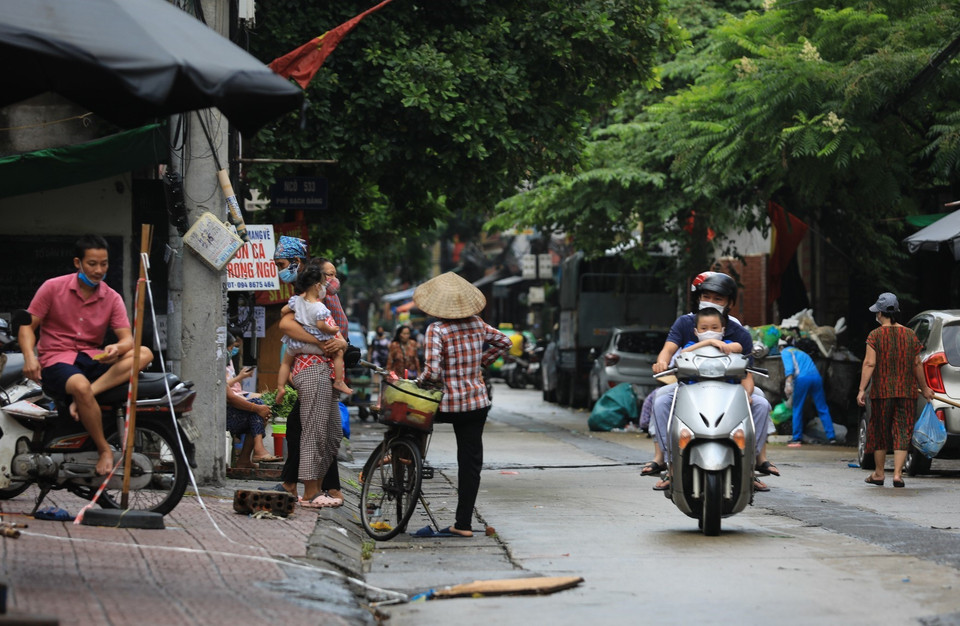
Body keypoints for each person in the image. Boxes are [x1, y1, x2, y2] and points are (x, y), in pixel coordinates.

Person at [19, 235, 154, 476]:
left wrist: (118, 348)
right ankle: (104, 449)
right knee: (80, 385)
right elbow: (27, 326)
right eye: (92, 264)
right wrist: (29, 356)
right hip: (57, 360)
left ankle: (88, 396)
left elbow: (127, 340)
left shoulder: (111, 297)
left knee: (143, 353)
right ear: (77, 263)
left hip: (93, 357)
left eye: (104, 264)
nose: (99, 270)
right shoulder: (52, 287)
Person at [647, 271, 777, 491]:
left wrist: (747, 394)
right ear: (698, 298)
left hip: (731, 386)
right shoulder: (684, 323)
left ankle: (750, 465)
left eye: (719, 299)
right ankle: (670, 465)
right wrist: (662, 361)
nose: (712, 302)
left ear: (729, 304)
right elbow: (668, 350)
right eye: (707, 296)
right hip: (690, 386)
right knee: (660, 400)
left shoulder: (738, 331)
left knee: (762, 403)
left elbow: (747, 369)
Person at [415, 272, 512, 536]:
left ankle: (408, 460)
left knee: (410, 425)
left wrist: (418, 382)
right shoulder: (478, 324)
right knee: (470, 464)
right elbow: (505, 341)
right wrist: (483, 362)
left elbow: (432, 373)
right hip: (476, 403)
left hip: (446, 405)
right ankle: (464, 524)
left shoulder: (437, 329)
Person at [272, 238, 347, 507]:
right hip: (315, 366)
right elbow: (287, 326)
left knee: (323, 430)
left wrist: (339, 344)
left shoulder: (314, 295)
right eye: (328, 277)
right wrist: (322, 343)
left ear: (297, 263)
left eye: (282, 264)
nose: (280, 270)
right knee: (310, 429)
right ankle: (309, 488)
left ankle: (310, 486)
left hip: (323, 367)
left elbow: (334, 330)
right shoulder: (303, 298)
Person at [857, 293, 934, 488]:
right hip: (906, 392)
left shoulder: (875, 335)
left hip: (882, 392)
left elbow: (869, 363)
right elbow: (917, 363)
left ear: (881, 313)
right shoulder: (910, 335)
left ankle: (879, 473)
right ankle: (898, 475)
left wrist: (861, 389)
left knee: (880, 431)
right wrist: (924, 388)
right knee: (903, 431)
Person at [276, 265, 352, 396]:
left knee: (285, 363)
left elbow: (283, 311)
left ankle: (280, 387)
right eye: (328, 276)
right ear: (317, 286)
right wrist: (331, 332)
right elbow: (321, 326)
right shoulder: (319, 307)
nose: (332, 281)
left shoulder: (296, 302)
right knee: (338, 353)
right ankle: (339, 381)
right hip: (313, 360)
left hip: (294, 345)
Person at [224, 334, 280, 466]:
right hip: (221, 416)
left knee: (260, 409)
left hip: (230, 409)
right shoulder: (215, 366)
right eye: (232, 347)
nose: (232, 351)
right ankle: (256, 451)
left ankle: (248, 457)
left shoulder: (227, 362)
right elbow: (230, 398)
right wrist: (257, 408)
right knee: (257, 410)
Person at [781, 340, 837, 447]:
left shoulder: (785, 352)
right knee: (822, 408)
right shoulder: (801, 352)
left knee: (797, 408)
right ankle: (832, 437)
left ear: (781, 347)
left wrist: (788, 384)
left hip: (802, 379)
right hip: (816, 378)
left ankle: (796, 438)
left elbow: (790, 369)